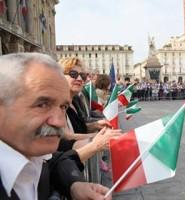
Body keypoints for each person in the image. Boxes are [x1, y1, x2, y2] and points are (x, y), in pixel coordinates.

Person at [0, 53, 112, 200]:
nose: (59, 121)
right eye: (42, 104)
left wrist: (75, 185)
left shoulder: (35, 153)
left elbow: (55, 161)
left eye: (63, 107)